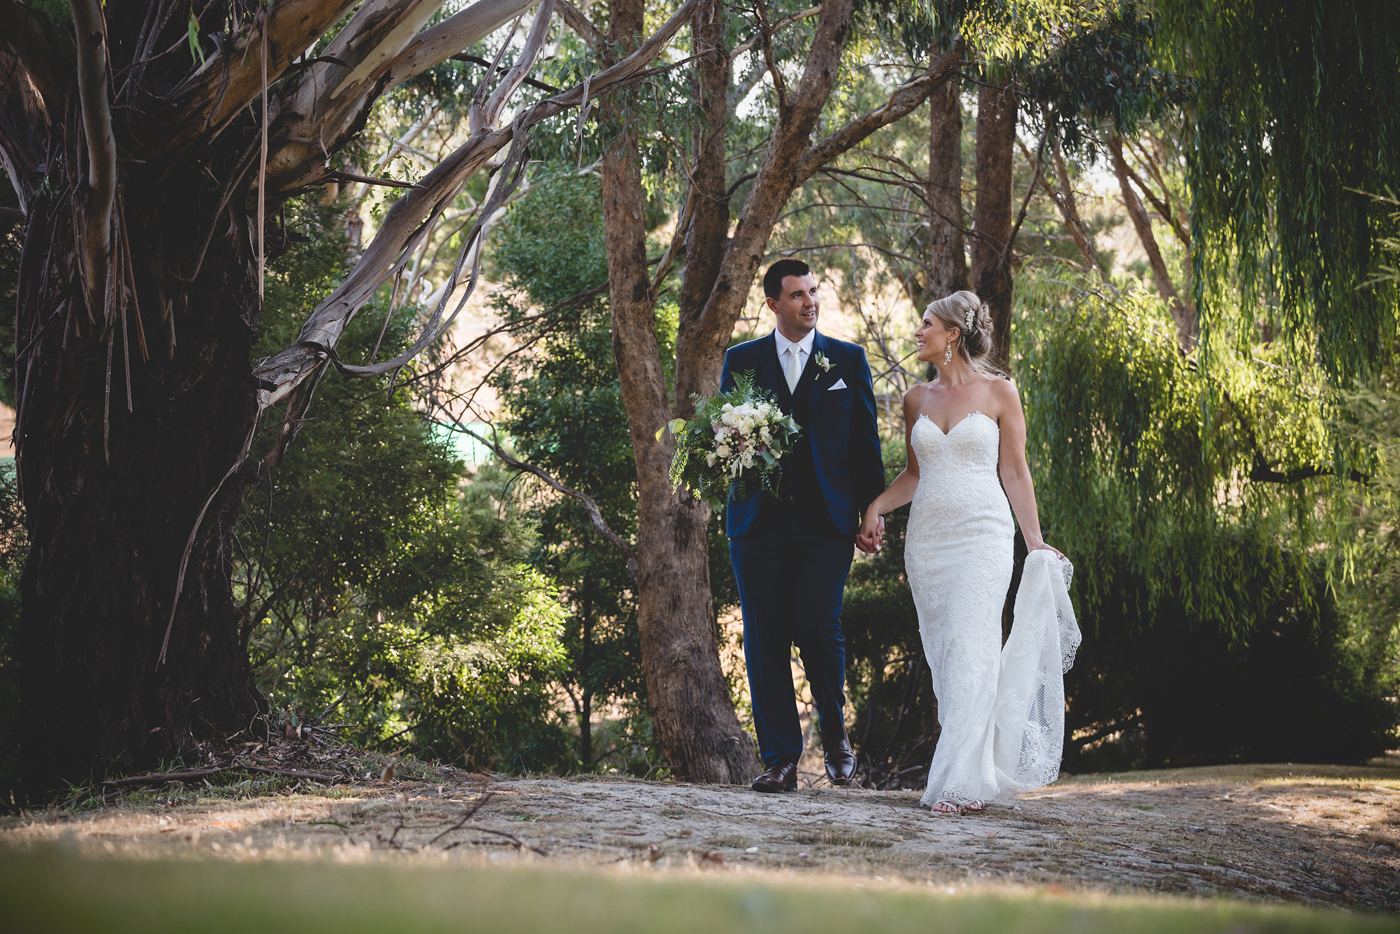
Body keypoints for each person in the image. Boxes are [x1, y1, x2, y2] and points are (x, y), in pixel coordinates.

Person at [859, 290, 1080, 814]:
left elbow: (1015, 471)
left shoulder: (1000, 392)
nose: (918, 332)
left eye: (926, 324)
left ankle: (959, 784)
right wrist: (875, 508)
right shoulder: (917, 399)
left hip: (983, 536)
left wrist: (1033, 541)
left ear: (952, 334)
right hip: (929, 544)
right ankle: (971, 769)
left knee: (974, 647)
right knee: (948, 658)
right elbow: (915, 475)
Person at [721, 259, 886, 793]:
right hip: (757, 525)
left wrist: (871, 512)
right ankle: (781, 761)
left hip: (826, 525)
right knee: (764, 639)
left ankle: (835, 734)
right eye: (797, 295)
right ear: (772, 304)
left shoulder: (847, 360)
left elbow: (865, 446)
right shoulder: (741, 361)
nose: (809, 302)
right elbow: (721, 440)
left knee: (818, 628)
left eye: (813, 292)